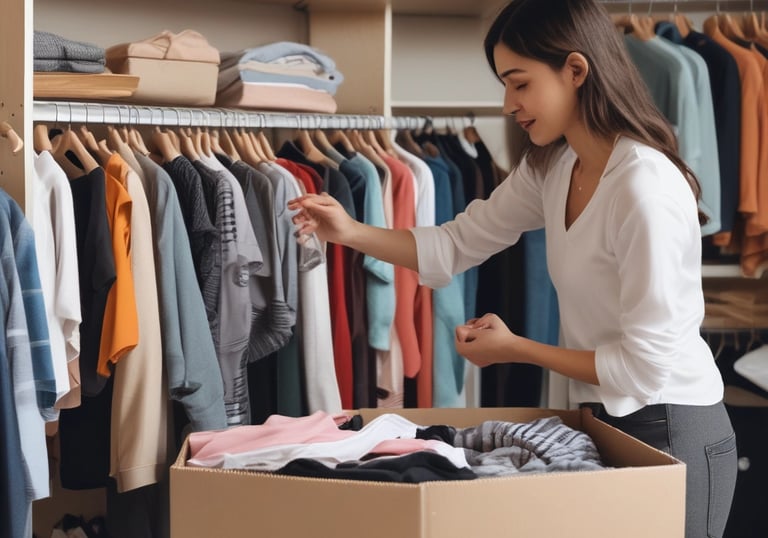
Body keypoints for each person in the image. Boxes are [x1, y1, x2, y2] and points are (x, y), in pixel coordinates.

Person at [288, 0, 736, 536]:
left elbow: (644, 368)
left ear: (575, 70)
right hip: (602, 420)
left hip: (672, 426)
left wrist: (515, 348)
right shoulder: (555, 165)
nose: (507, 104)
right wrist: (350, 232)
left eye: (520, 84)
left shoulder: (643, 188)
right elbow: (457, 242)